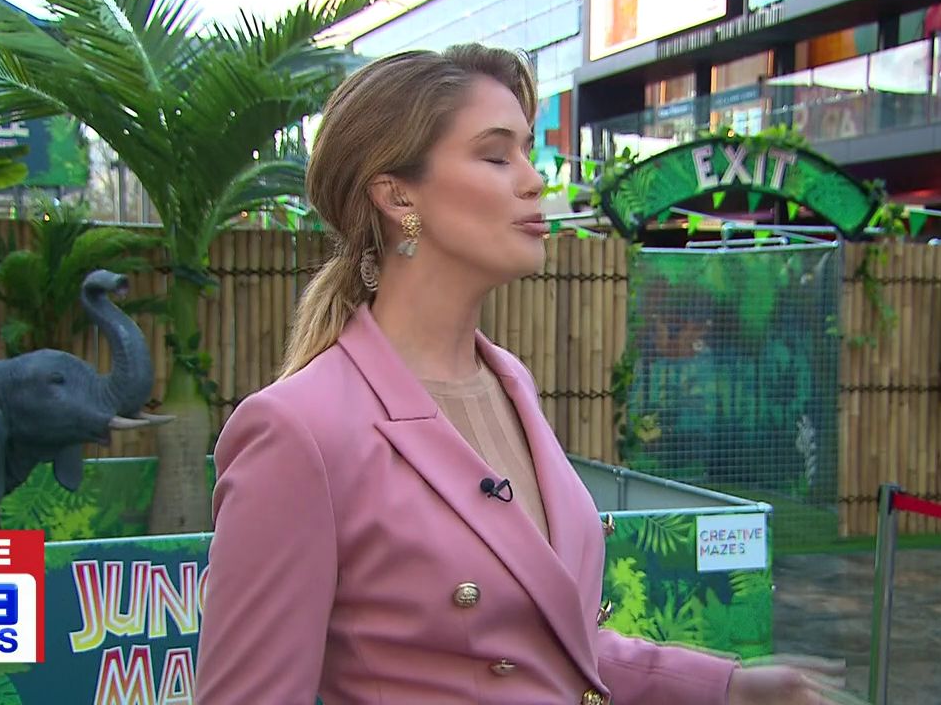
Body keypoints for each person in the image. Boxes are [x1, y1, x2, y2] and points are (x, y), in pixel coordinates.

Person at [196, 43, 850, 704]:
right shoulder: (299, 432)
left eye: (528, 152)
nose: (535, 181)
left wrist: (728, 687)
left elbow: (547, 642)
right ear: (397, 196)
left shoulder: (511, 383)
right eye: (495, 155)